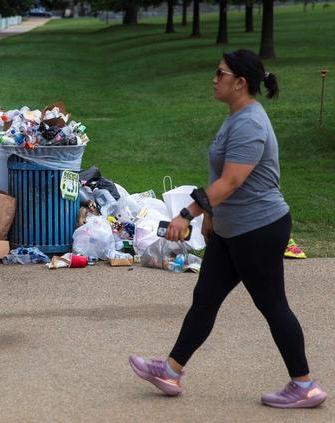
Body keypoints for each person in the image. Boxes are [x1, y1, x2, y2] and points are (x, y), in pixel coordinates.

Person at [128, 49, 327, 409]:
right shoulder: (235, 117)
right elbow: (223, 176)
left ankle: (305, 385)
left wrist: (188, 213)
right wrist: (212, 217)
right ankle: (170, 370)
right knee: (205, 299)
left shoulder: (250, 123)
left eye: (220, 73)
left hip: (259, 229)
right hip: (233, 229)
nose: (214, 78)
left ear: (240, 83)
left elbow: (233, 180)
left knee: (273, 305)